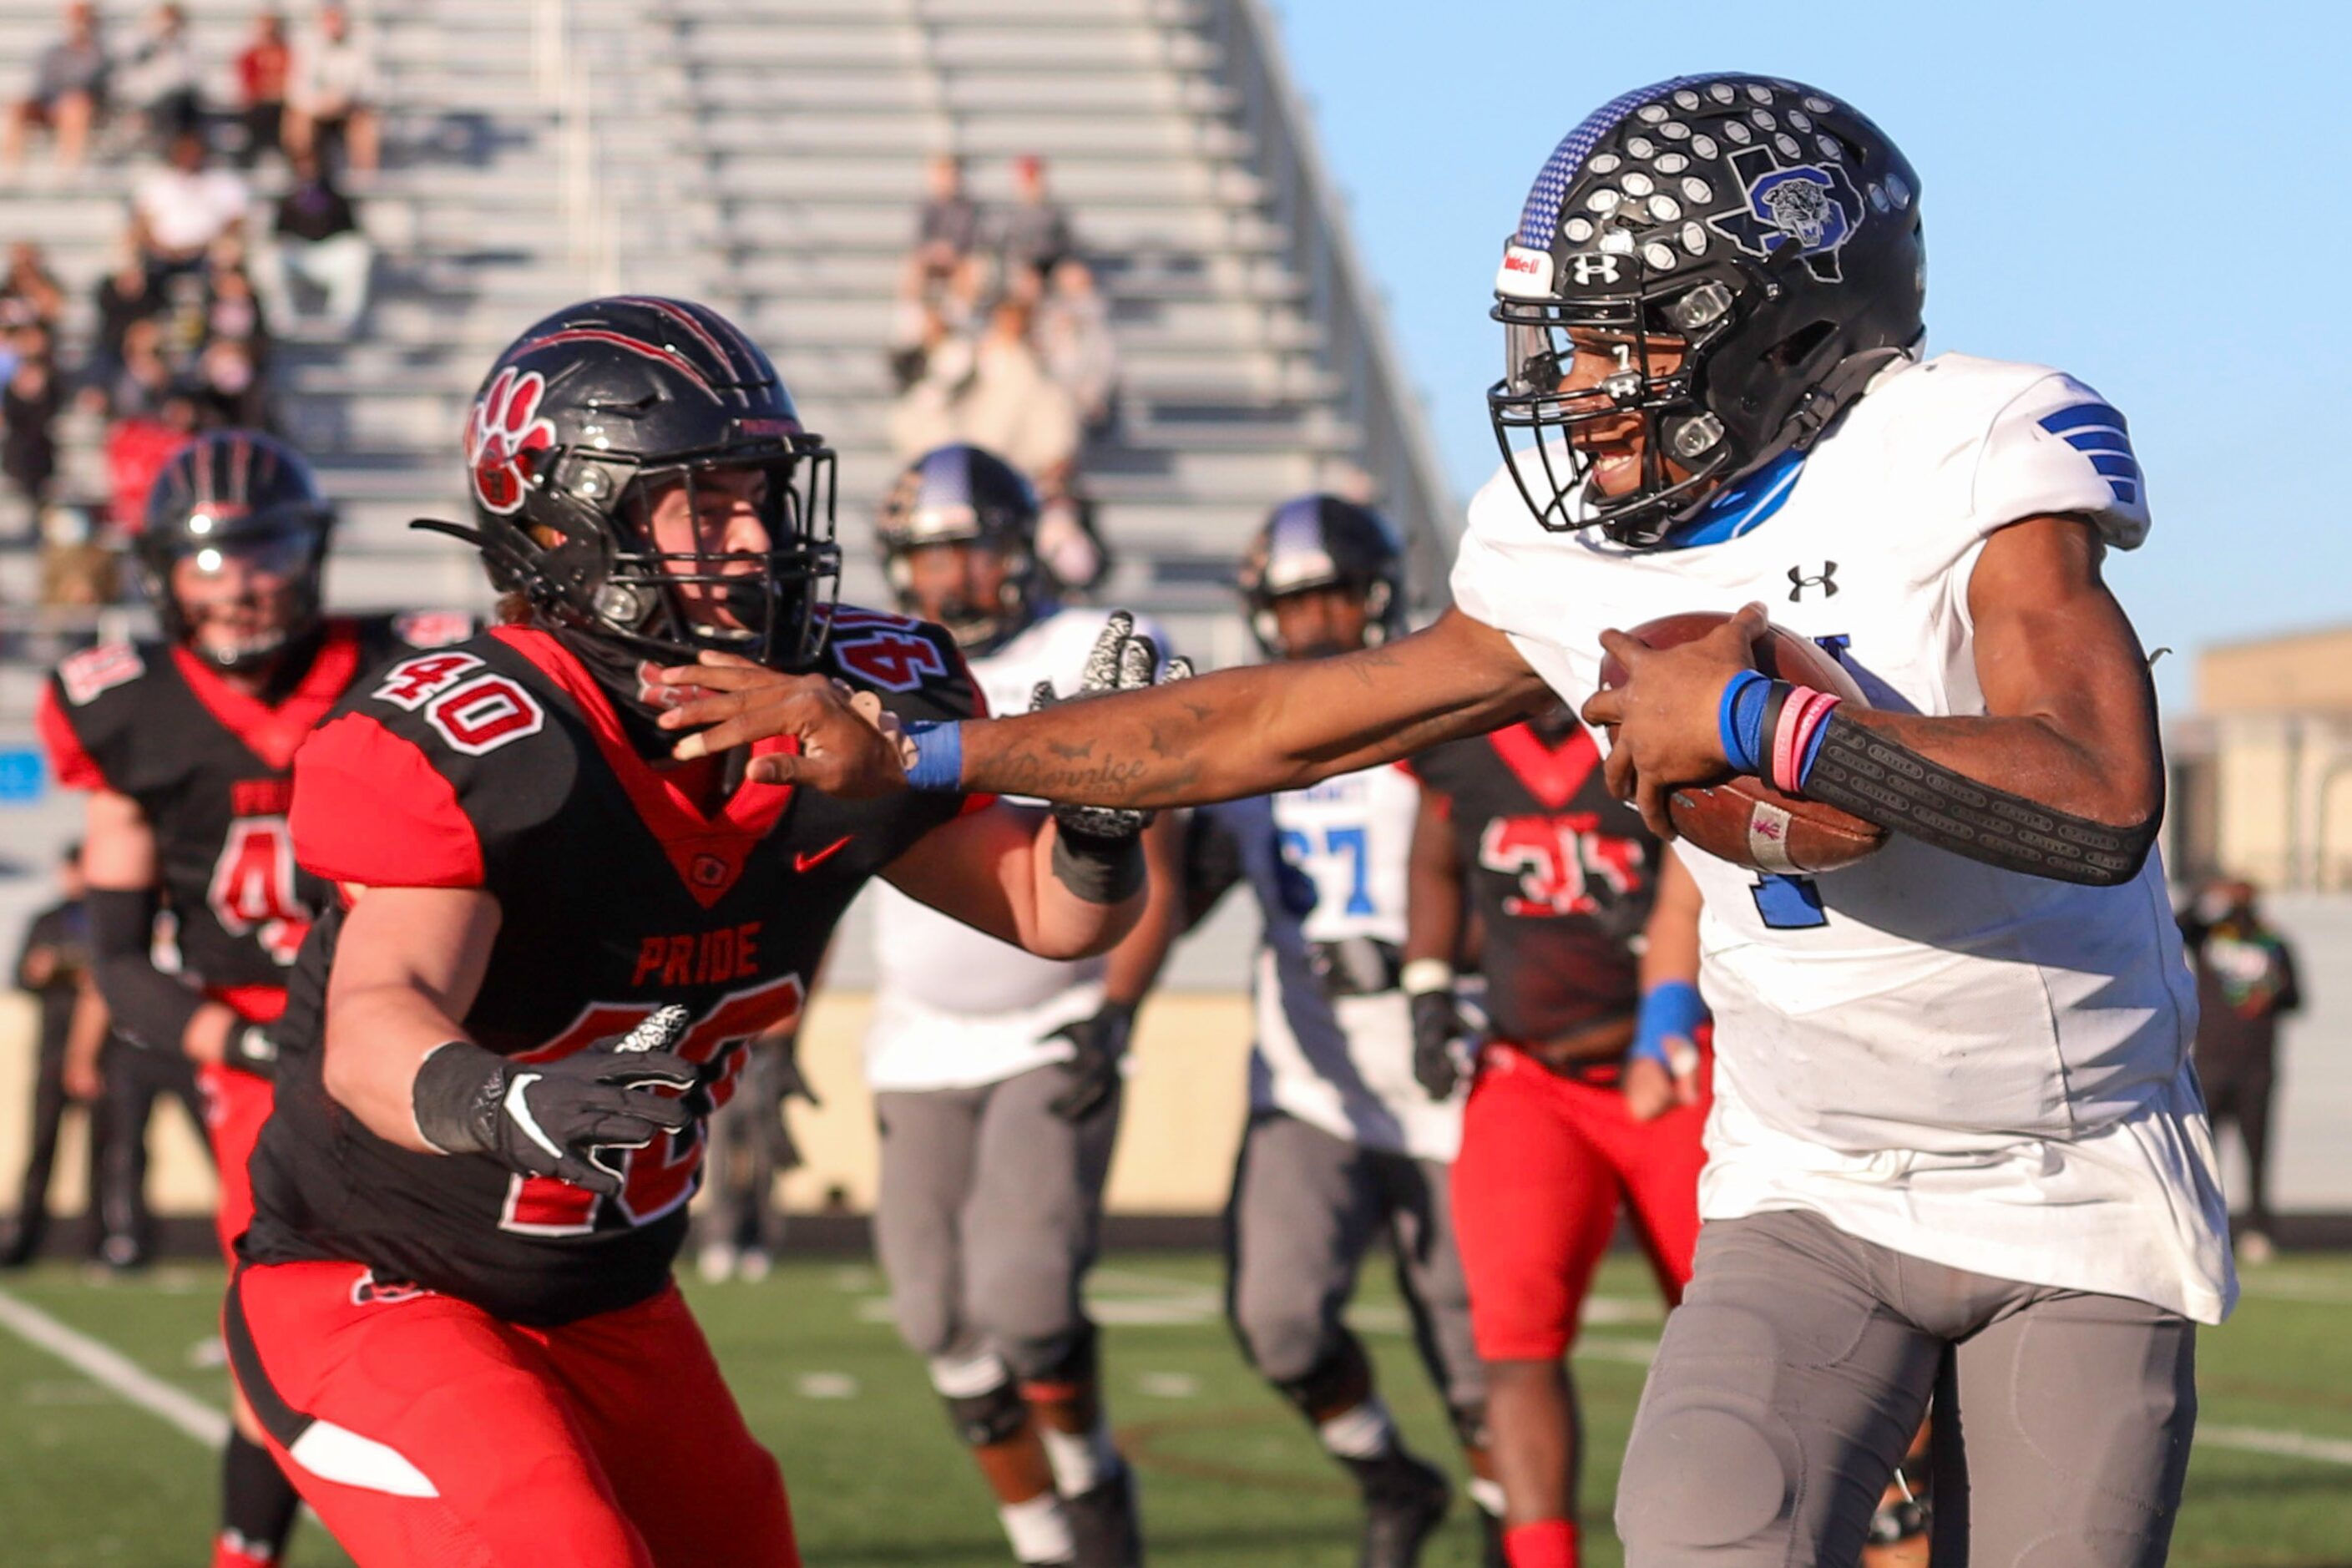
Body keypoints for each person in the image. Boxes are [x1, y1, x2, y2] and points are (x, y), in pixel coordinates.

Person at [659, 72, 2228, 1568]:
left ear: (1778, 322)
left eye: (1621, 341)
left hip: (2065, 1177)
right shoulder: (1571, 559)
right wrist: (929, 753)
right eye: (1566, 343)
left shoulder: (1960, 451)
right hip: (1805, 1178)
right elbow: (1271, 719)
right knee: (1698, 1526)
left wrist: (1759, 722)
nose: (1574, 389)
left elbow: (2092, 796)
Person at [225, 296, 1178, 1568]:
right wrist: (513, 1103)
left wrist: (1100, 830)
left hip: (611, 1298)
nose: (758, 536)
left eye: (761, 494)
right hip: (380, 1281)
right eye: (704, 502)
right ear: (567, 518)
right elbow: (374, 1029)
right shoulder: (498, 741)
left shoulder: (850, 708)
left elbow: (1053, 914)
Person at [37, 429, 475, 1568]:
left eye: (268, 548)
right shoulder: (128, 709)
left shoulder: (405, 665)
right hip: (258, 1055)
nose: (243, 582)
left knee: (482, 1305)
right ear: (162, 572)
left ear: (313, 552)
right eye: (211, 556)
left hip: (424, 1012)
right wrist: (245, 1038)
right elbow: (121, 957)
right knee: (285, 1330)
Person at [864, 443, 1184, 1568]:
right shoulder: (888, 661)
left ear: (1015, 548)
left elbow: (1160, 853)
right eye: (925, 553)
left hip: (1051, 1019)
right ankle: (1043, 1534)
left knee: (1025, 1300)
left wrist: (1120, 1005)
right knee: (935, 1319)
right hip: (913, 1035)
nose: (945, 577)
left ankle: (1090, 1474)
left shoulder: (1079, 647)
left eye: (965, 548)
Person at [1179, 496, 1499, 1568]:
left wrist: (1445, 977)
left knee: (1475, 1359)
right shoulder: (1251, 752)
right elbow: (1173, 902)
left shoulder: (1443, 724)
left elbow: (1503, 872)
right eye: (1291, 601)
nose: (1312, 621)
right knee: (1278, 1319)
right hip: (1310, 1083)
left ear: (1372, 599)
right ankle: (1388, 1476)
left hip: (1449, 1077)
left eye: (1329, 597)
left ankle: (1514, 1523)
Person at [1404, 707, 1709, 1568]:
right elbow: (1436, 851)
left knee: (1742, 1328)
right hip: (1529, 1071)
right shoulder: (1462, 735)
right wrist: (1426, 984)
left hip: (1676, 1062)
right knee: (1514, 1345)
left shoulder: (1650, 713)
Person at [0, 843, 114, 1267]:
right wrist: (42, 971)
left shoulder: (109, 918)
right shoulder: (48, 920)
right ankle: (23, 1241)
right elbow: (21, 977)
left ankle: (99, 1242)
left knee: (103, 1151)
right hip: (53, 1049)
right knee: (42, 1146)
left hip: (104, 1052)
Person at [2180, 878, 2301, 1263]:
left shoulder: (2274, 944)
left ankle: (2257, 1232)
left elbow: (2297, 997)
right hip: (2210, 1068)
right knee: (2203, 1155)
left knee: (2257, 1158)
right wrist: (2208, 903)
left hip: (2257, 1070)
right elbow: (2179, 926)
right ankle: (2198, 1228)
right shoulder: (2209, 936)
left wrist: (2269, 991)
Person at [260, 149, 370, 336]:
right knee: (266, 257)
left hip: (328, 256)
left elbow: (351, 230)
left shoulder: (336, 196)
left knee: (357, 251)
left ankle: (343, 317)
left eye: (312, 166)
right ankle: (281, 318)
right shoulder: (287, 199)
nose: (307, 171)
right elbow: (276, 234)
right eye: (302, 166)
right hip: (297, 256)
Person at [3, 1, 107, 176]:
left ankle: (67, 168)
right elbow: (43, 84)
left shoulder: (100, 55)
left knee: (75, 105)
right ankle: (9, 168)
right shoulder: (52, 52)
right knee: (17, 107)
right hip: (50, 103)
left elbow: (94, 85)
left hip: (80, 108)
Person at [134, 131, 252, 273]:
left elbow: (236, 220)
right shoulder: (156, 183)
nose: (189, 157)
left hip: (209, 251)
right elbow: (143, 223)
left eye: (194, 152)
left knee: (228, 254)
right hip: (163, 253)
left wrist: (208, 244)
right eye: (184, 152)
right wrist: (160, 248)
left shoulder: (223, 182)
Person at [286, 4, 378, 179]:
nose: (334, 26)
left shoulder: (359, 50)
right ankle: (304, 177)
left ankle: (364, 179)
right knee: (297, 121)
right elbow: (296, 90)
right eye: (329, 21)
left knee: (365, 123)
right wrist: (320, 104)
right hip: (316, 110)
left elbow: (369, 88)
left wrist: (344, 100)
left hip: (348, 110)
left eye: (337, 21)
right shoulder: (307, 50)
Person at [115, 3, 201, 154]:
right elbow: (125, 78)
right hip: (143, 104)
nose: (166, 25)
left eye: (171, 21)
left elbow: (187, 82)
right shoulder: (140, 46)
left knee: (179, 104)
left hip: (170, 107)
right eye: (163, 20)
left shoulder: (185, 50)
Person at [1000, 154, 1077, 290]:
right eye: (1028, 180)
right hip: (1016, 273)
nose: (1032, 186)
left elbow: (1066, 249)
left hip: (1049, 272)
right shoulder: (1005, 214)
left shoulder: (1056, 214)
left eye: (1035, 179)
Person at [233, 12, 291, 169]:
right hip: (258, 106)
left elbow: (293, 82)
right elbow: (248, 86)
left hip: (283, 105)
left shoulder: (287, 54)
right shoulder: (249, 56)